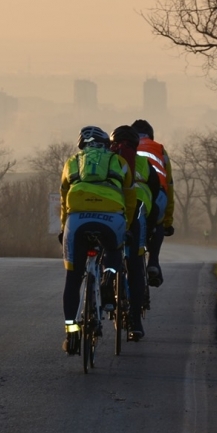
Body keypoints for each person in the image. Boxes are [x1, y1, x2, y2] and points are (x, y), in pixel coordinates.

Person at [58, 125, 132, 354]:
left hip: (78, 218)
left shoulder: (71, 162)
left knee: (73, 277)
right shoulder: (119, 162)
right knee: (113, 251)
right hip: (111, 217)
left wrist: (64, 227)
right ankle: (108, 279)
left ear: (82, 145)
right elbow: (130, 196)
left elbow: (63, 197)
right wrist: (126, 225)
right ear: (106, 145)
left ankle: (71, 333)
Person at [109, 124, 156, 341]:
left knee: (109, 254)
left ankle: (107, 283)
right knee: (136, 266)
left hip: (111, 214)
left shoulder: (108, 161)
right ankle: (136, 322)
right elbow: (157, 198)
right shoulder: (145, 164)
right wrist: (155, 226)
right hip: (136, 214)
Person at [131, 119, 175, 288]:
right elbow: (169, 186)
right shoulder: (160, 149)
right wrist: (168, 222)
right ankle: (154, 263)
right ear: (151, 135)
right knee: (157, 224)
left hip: (130, 192)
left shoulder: (123, 147)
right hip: (158, 193)